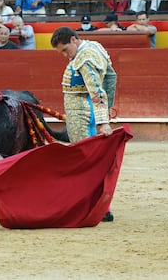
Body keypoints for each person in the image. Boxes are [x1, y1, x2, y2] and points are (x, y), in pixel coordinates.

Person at [50, 27, 117, 222]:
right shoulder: (95, 47)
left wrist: (103, 121)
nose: (65, 55)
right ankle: (102, 206)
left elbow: (97, 90)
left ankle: (95, 207)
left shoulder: (84, 58)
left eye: (65, 50)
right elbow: (111, 77)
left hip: (81, 114)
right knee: (90, 159)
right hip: (89, 113)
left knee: (84, 160)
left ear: (74, 40)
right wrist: (107, 110)